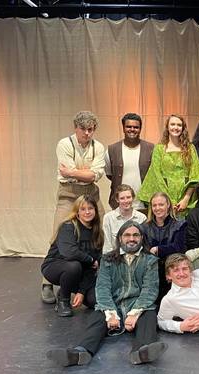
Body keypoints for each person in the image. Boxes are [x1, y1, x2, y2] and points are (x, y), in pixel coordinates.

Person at [46, 221, 166, 367]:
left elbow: (149, 290)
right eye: (127, 235)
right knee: (97, 317)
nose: (132, 239)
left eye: (136, 235)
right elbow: (102, 288)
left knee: (149, 315)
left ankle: (142, 351)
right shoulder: (108, 259)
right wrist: (111, 314)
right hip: (113, 303)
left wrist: (134, 313)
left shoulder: (150, 261)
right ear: (120, 238)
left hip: (138, 304)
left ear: (141, 238)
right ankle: (80, 352)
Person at [42, 111, 106, 305]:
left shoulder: (98, 147)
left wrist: (73, 172)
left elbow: (94, 176)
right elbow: (71, 174)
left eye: (91, 129)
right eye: (83, 129)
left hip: (90, 193)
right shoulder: (65, 144)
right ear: (75, 128)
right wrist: (85, 173)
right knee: (58, 233)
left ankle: (96, 276)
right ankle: (47, 283)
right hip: (68, 193)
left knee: (101, 230)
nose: (87, 133)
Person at [41, 195, 103, 317]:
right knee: (74, 266)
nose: (87, 212)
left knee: (94, 301)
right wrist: (90, 260)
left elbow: (93, 268)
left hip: (81, 272)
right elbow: (69, 252)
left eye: (90, 208)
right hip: (55, 266)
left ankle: (66, 288)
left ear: (95, 210)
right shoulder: (68, 226)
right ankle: (63, 300)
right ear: (77, 212)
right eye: (83, 209)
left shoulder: (97, 233)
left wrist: (81, 291)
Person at [138, 114, 199, 216]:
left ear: (183, 128)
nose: (176, 127)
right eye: (172, 124)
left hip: (186, 198)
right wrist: (168, 201)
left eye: (179, 125)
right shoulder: (159, 149)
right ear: (167, 127)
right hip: (164, 199)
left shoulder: (190, 148)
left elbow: (196, 174)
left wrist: (186, 199)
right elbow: (156, 175)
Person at [141, 192, 187, 302]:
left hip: (173, 270)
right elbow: (145, 251)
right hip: (152, 270)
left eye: (161, 204)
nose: (157, 208)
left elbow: (178, 248)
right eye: (154, 205)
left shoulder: (180, 224)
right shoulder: (144, 227)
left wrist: (158, 249)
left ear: (168, 205)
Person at [105, 112, 154, 210]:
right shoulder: (112, 150)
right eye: (128, 126)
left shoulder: (151, 149)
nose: (132, 129)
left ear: (140, 129)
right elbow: (110, 175)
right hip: (120, 205)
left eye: (136, 127)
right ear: (123, 128)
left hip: (144, 204)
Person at [102, 184, 147, 254]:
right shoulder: (108, 218)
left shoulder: (142, 218)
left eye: (128, 197)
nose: (126, 201)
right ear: (117, 200)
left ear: (133, 198)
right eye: (122, 198)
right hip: (115, 257)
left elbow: (144, 244)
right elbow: (107, 247)